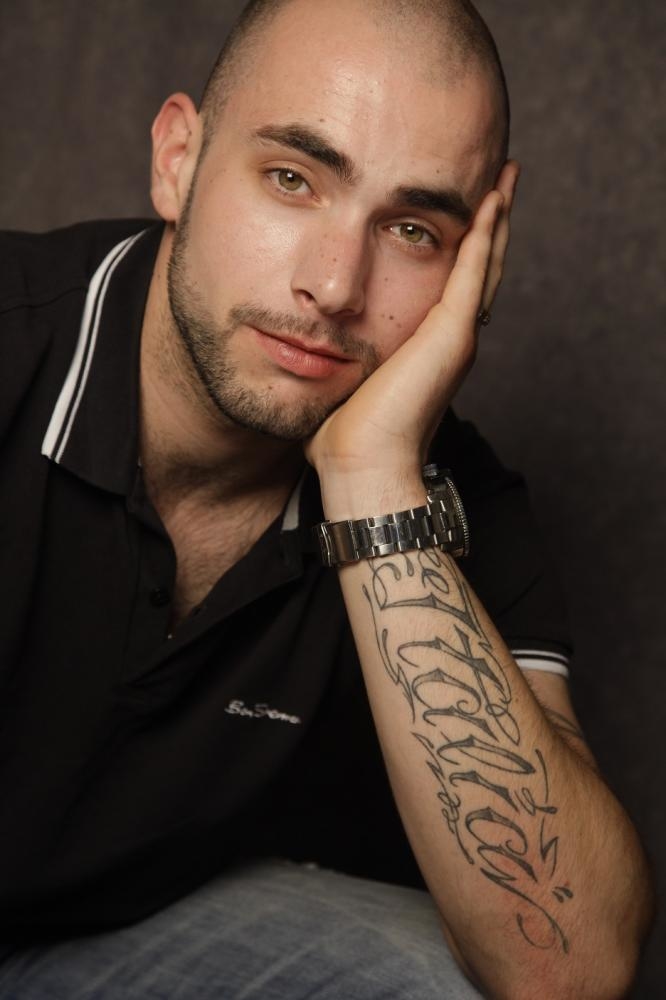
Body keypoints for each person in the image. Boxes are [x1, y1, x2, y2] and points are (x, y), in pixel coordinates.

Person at [0, 0, 653, 996]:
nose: (338, 286)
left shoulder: (446, 491)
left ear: (474, 263)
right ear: (178, 159)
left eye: (413, 230)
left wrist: (372, 479)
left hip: (104, 938)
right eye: (293, 179)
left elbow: (565, 963)